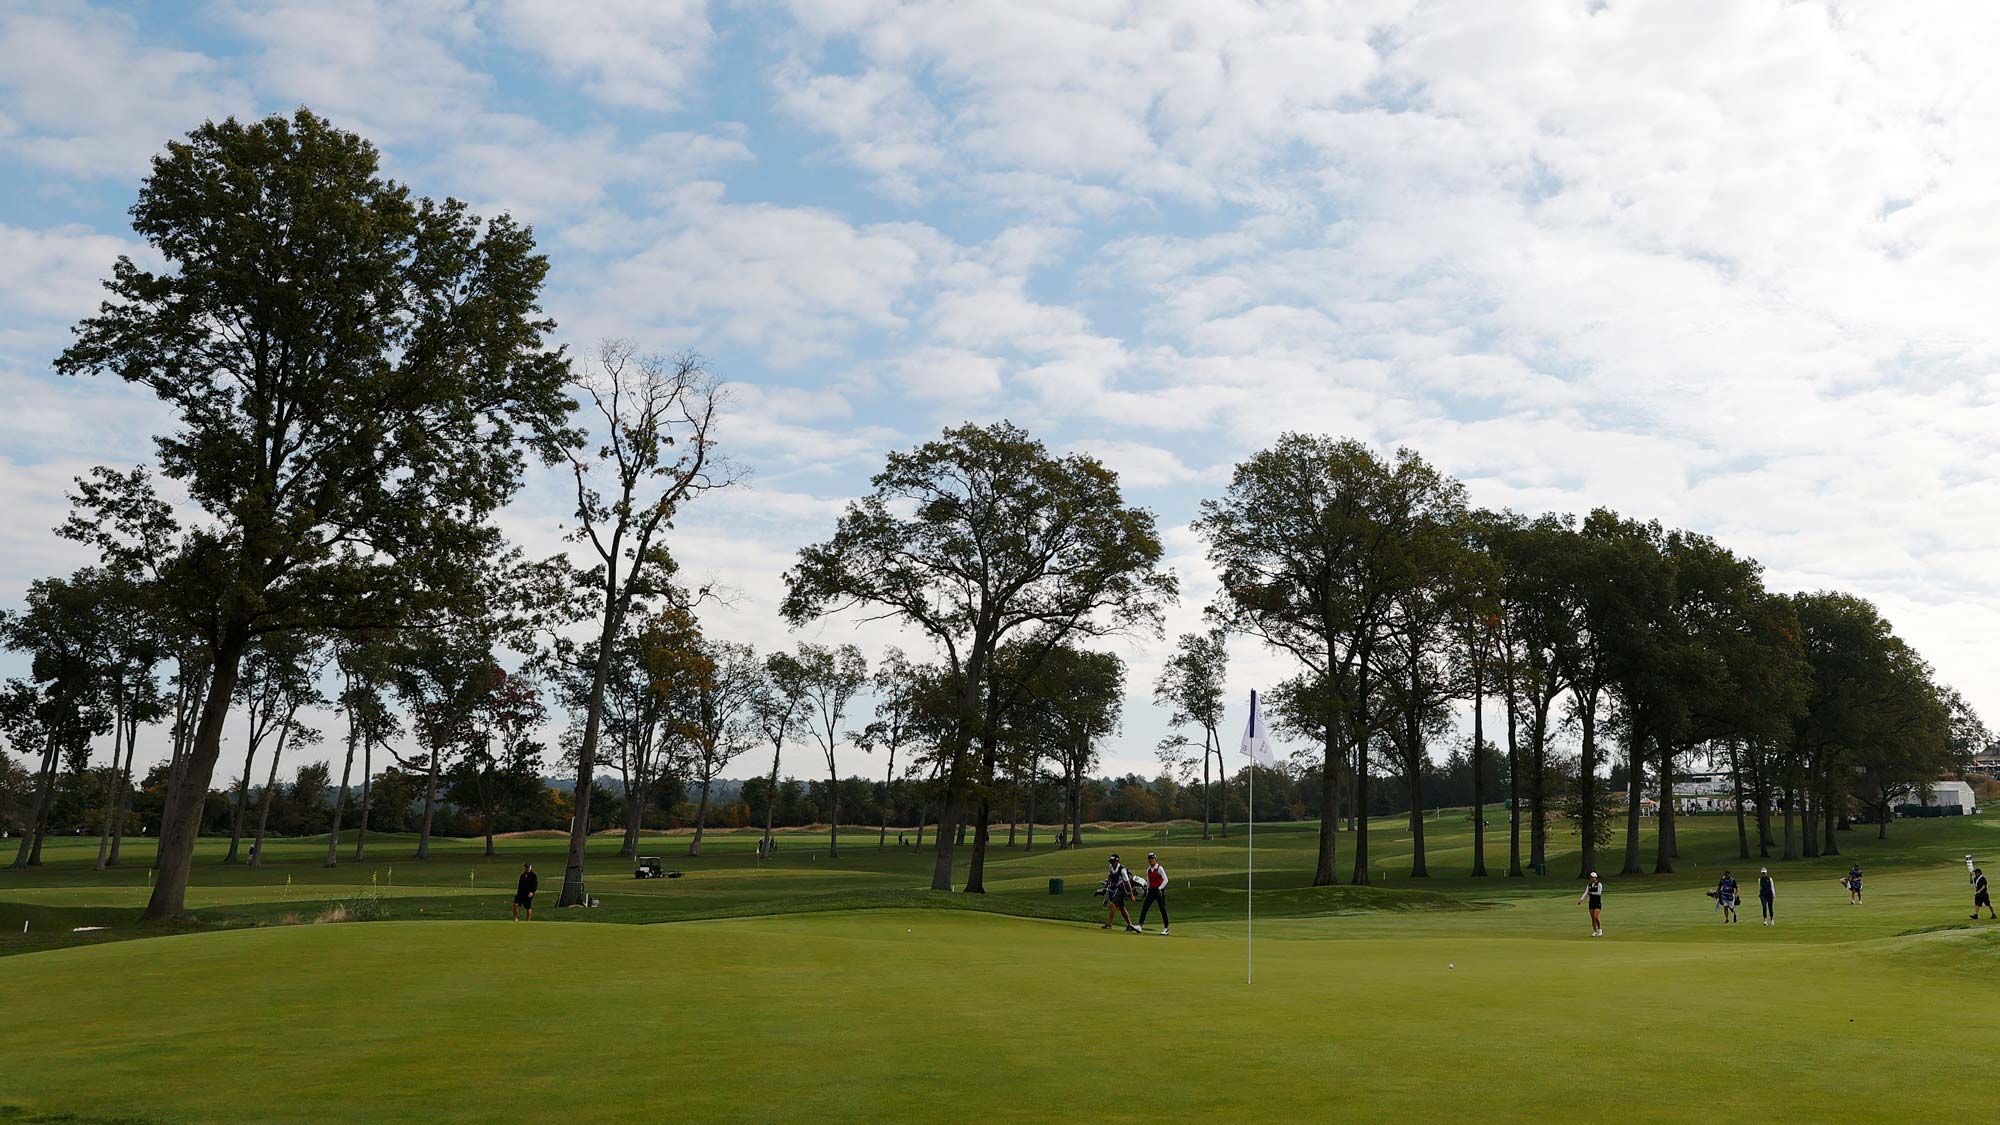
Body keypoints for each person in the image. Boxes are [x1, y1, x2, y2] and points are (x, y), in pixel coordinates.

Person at [1102, 855, 1139, 933]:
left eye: (1113, 862)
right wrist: (1107, 883)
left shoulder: (1122, 870)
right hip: (1116, 887)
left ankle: (1109, 924)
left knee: (1113, 905)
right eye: (1111, 862)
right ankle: (1130, 925)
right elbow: (1110, 875)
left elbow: (1127, 882)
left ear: (1117, 861)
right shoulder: (1111, 867)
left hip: (1123, 888)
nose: (1112, 864)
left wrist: (1131, 895)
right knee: (1121, 907)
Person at [1138, 851, 1170, 936]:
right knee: (1145, 907)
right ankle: (1140, 925)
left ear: (1155, 859)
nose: (1151, 860)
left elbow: (1166, 880)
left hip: (1159, 890)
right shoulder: (1148, 869)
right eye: (1150, 859)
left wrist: (1160, 888)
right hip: (1151, 890)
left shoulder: (1159, 868)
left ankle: (1166, 928)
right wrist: (1147, 890)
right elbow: (1148, 882)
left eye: (1152, 859)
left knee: (1162, 908)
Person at [1577, 872, 1606, 937]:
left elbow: (1599, 893)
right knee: (1592, 918)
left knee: (1596, 917)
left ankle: (1599, 929)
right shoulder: (1589, 885)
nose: (1592, 878)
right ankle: (1594, 931)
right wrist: (1581, 899)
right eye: (1591, 877)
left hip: (1597, 902)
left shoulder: (1599, 884)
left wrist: (1591, 893)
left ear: (1596, 877)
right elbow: (1586, 893)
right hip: (1591, 903)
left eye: (1593, 877)